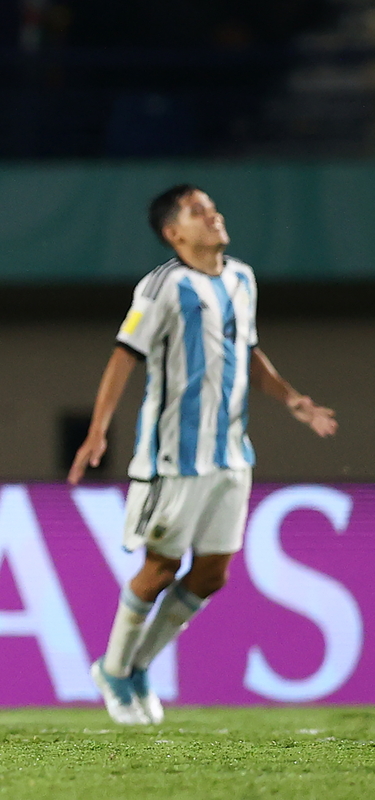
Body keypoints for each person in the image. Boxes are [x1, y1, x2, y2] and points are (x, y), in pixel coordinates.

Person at [68, 184, 337, 725]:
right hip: (174, 459)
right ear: (174, 233)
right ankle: (115, 670)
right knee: (161, 566)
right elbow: (124, 357)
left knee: (213, 574)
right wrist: (98, 431)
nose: (213, 215)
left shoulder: (241, 278)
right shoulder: (161, 287)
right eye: (198, 211)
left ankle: (132, 666)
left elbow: (249, 351)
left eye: (213, 206)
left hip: (232, 454)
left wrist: (294, 401)